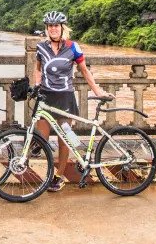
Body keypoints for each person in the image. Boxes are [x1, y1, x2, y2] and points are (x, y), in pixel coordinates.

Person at [33, 10, 112, 192]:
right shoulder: (41, 47)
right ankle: (55, 160)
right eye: (50, 26)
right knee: (41, 139)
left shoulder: (73, 47)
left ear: (62, 28)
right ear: (47, 28)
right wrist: (36, 85)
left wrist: (97, 91)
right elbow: (37, 69)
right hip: (46, 97)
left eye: (56, 26)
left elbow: (84, 71)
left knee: (64, 140)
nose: (53, 29)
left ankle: (58, 176)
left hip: (65, 99)